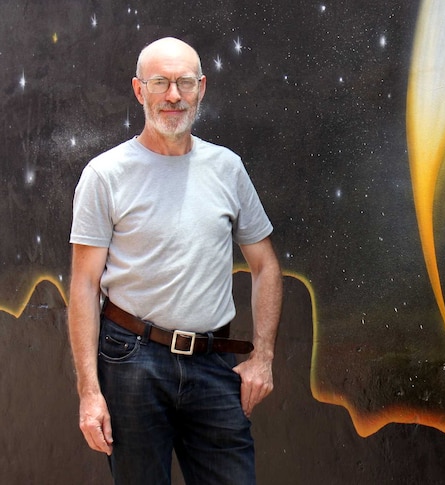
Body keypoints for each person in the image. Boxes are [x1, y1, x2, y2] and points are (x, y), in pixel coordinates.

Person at [68, 37, 283, 484]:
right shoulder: (105, 175)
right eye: (160, 82)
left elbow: (265, 265)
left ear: (201, 88)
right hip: (131, 362)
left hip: (212, 363)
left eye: (184, 82)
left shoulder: (227, 168)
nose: (173, 95)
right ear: (138, 90)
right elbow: (85, 287)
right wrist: (89, 392)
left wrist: (263, 358)